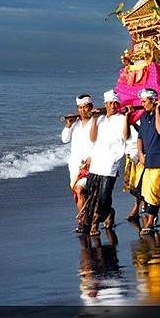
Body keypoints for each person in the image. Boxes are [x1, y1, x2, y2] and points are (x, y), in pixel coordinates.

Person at [77, 90, 129, 236]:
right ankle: (94, 223)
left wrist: (126, 118)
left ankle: (107, 212)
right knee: (93, 194)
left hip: (111, 163)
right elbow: (93, 138)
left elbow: (125, 136)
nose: (113, 106)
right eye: (110, 103)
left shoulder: (120, 118)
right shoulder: (100, 119)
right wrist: (93, 118)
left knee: (104, 196)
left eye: (115, 103)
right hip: (97, 162)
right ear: (105, 104)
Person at [137, 88, 160, 235]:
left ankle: (150, 221)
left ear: (153, 101)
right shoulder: (144, 117)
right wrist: (140, 153)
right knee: (144, 191)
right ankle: (153, 216)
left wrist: (158, 110)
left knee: (154, 190)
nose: (142, 104)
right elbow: (140, 137)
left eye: (145, 101)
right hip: (148, 159)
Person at [61, 94, 95, 231]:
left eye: (85, 107)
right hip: (75, 164)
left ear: (91, 107)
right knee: (78, 191)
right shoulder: (74, 123)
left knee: (80, 190)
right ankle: (87, 217)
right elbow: (64, 139)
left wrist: (92, 157)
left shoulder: (97, 122)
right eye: (80, 108)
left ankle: (83, 220)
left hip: (91, 163)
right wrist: (68, 125)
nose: (82, 110)